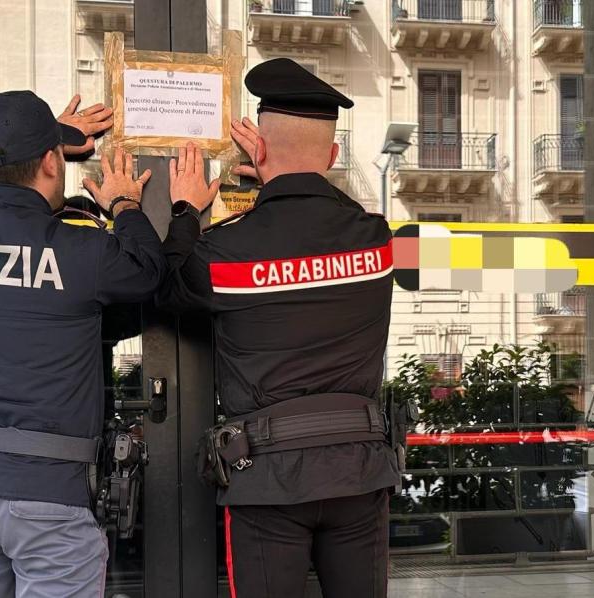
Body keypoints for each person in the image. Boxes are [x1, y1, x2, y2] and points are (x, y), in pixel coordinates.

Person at [157, 58, 400, 598]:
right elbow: (341, 215)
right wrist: (288, 180)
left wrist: (185, 211)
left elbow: (165, 286)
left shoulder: (227, 250)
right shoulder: (376, 239)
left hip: (266, 478)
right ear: (332, 158)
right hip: (358, 471)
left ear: (259, 150)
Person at [0, 89, 164, 598]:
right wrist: (124, 203)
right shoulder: (81, 251)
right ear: (52, 162)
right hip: (50, 498)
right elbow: (148, 269)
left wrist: (32, 145)